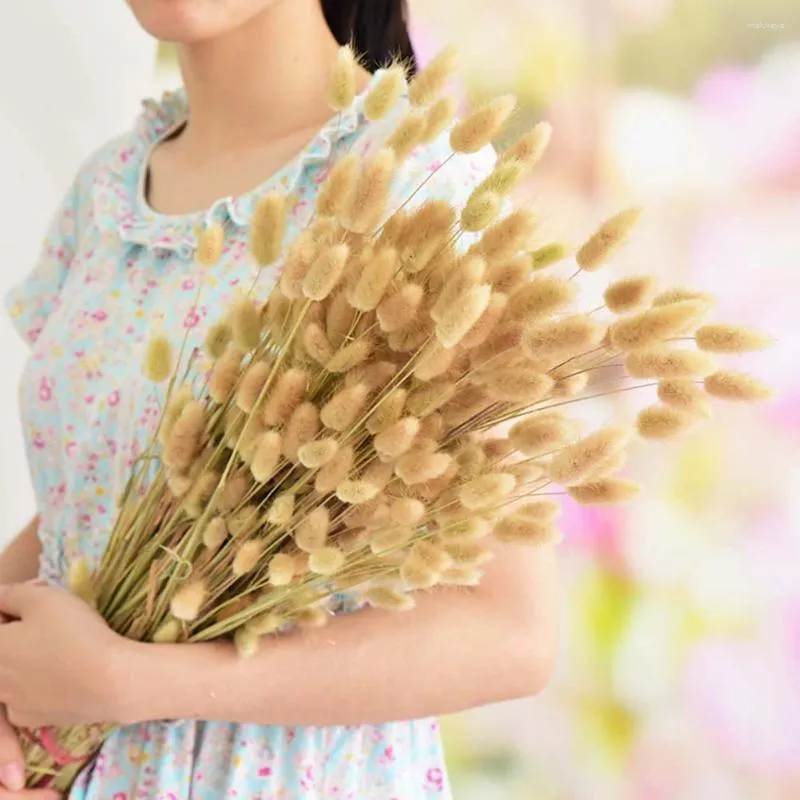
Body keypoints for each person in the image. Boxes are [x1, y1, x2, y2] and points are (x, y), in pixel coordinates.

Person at [0, 0, 559, 797]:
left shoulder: (417, 187)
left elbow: (511, 631)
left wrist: (142, 682)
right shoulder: (105, 191)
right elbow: (85, 499)